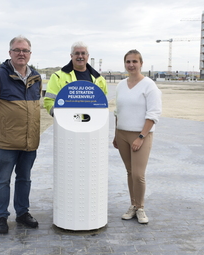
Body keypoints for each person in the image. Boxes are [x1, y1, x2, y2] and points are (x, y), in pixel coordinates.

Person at [0, 35, 42, 233]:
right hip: (5, 143)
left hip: (29, 142)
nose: (21, 54)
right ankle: (1, 217)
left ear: (30, 54)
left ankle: (22, 213)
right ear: (10, 53)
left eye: (25, 50)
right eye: (17, 50)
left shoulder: (36, 77)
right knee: (3, 179)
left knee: (24, 178)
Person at [112, 49, 162, 224]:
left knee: (138, 174)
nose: (131, 65)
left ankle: (140, 208)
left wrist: (141, 137)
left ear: (141, 64)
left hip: (141, 134)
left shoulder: (149, 85)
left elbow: (154, 114)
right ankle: (133, 205)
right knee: (130, 172)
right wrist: (115, 133)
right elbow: (117, 111)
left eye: (135, 61)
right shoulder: (120, 85)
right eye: (128, 62)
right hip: (122, 133)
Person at [43, 41, 108, 116]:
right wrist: (61, 117)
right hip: (67, 124)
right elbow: (49, 101)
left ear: (88, 56)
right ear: (71, 56)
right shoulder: (58, 77)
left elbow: (103, 103)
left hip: (92, 123)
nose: (80, 56)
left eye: (83, 53)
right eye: (77, 53)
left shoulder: (99, 79)